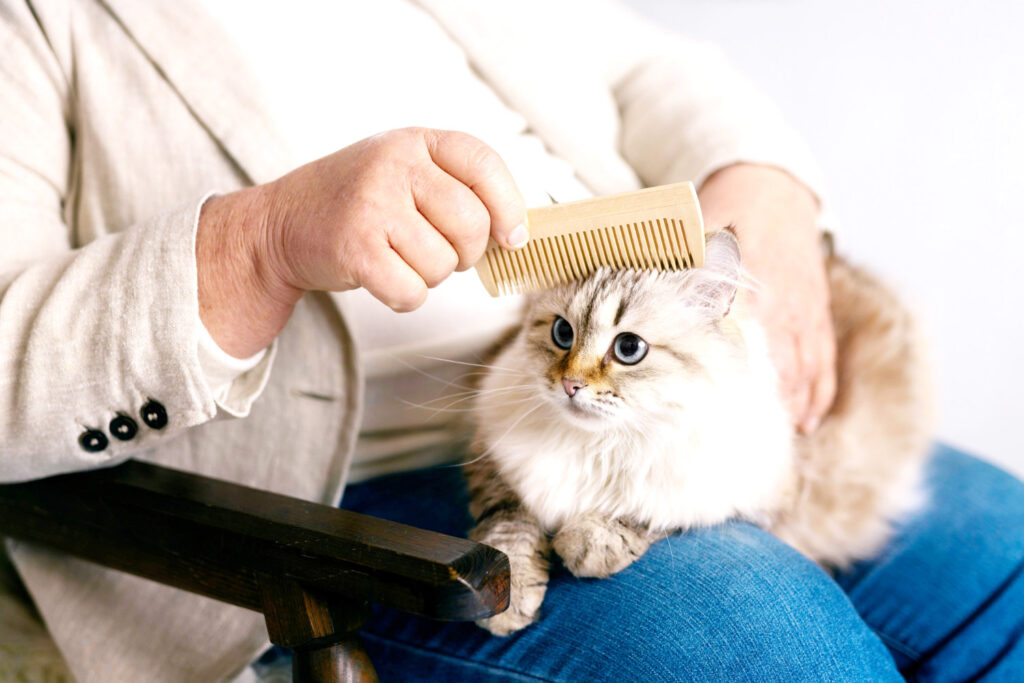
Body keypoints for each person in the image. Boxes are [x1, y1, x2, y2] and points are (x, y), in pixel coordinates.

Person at [0, 1, 1020, 680]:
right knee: (768, 646)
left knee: (1005, 554)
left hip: (663, 386)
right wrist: (257, 244)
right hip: (356, 495)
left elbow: (640, 64)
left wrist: (762, 182)